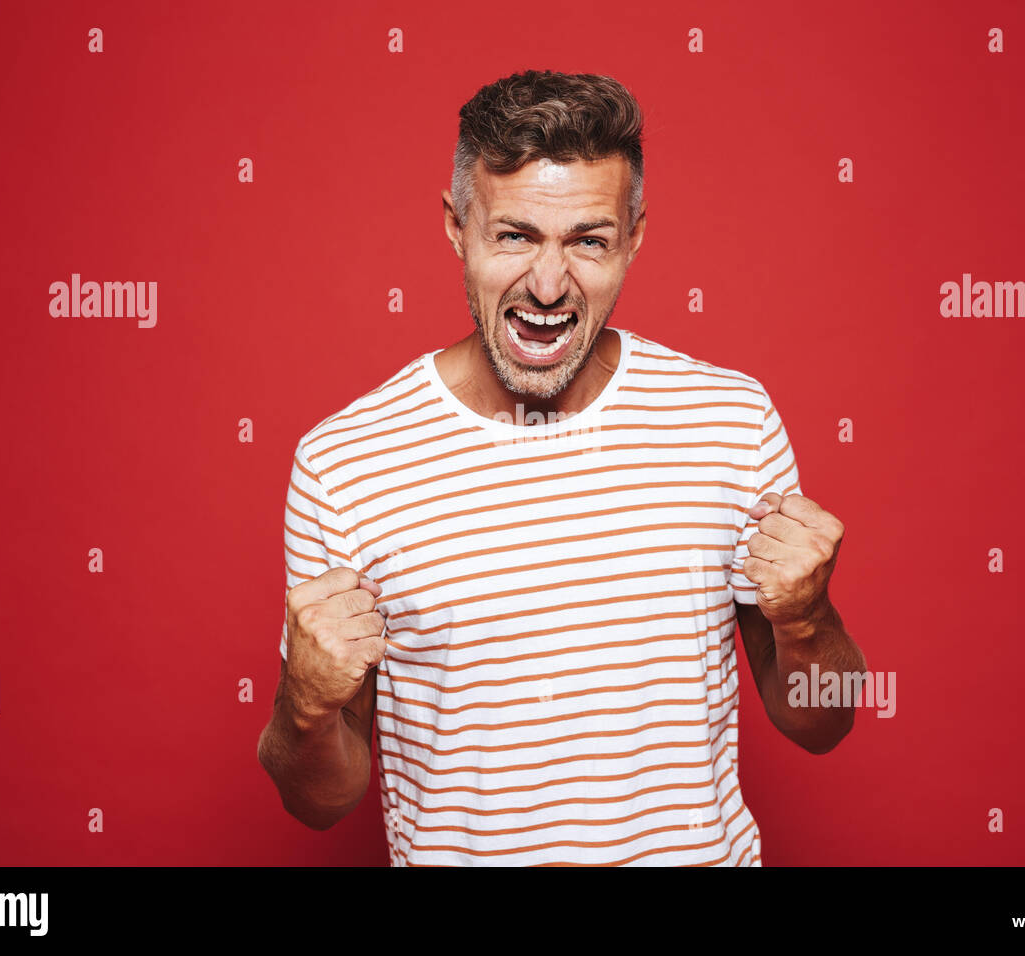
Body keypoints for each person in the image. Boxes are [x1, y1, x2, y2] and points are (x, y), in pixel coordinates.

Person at [258, 69, 866, 866]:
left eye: (588, 240)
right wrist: (302, 707)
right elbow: (318, 803)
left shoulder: (731, 423)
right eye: (514, 236)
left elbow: (826, 722)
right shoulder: (346, 465)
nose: (548, 286)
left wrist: (808, 617)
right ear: (456, 226)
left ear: (634, 236)